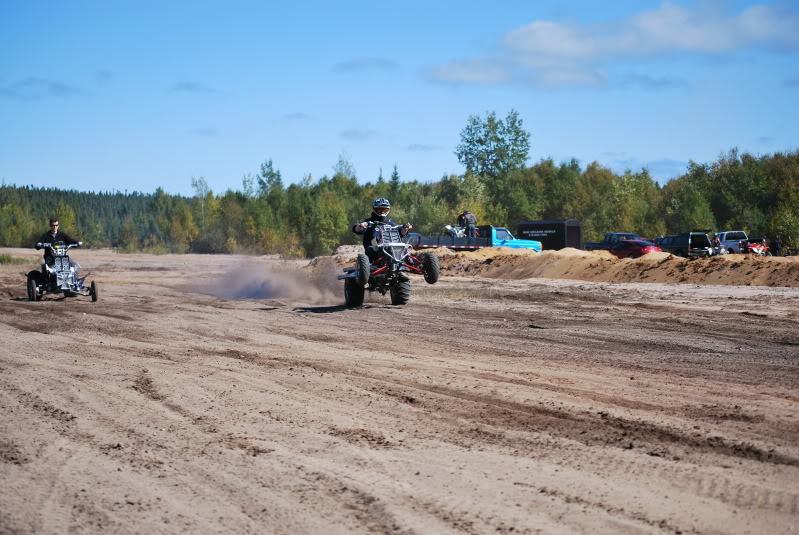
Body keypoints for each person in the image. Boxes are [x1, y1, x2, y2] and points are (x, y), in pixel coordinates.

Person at [352, 198, 412, 263]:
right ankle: (369, 267)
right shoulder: (368, 222)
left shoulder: (391, 223)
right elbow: (357, 230)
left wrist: (405, 228)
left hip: (391, 248)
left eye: (385, 210)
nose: (382, 213)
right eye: (380, 210)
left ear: (388, 210)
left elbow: (401, 233)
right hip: (375, 250)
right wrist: (360, 225)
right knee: (370, 249)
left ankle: (410, 266)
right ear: (375, 210)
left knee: (404, 250)